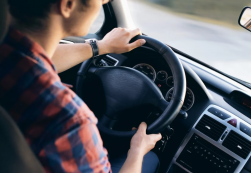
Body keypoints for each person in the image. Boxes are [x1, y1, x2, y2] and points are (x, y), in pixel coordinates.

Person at [0, 0, 162, 173]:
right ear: (67, 5)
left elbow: (36, 59)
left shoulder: (8, 54)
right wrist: (137, 150)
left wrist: (101, 46)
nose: (105, 1)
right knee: (150, 159)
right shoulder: (68, 120)